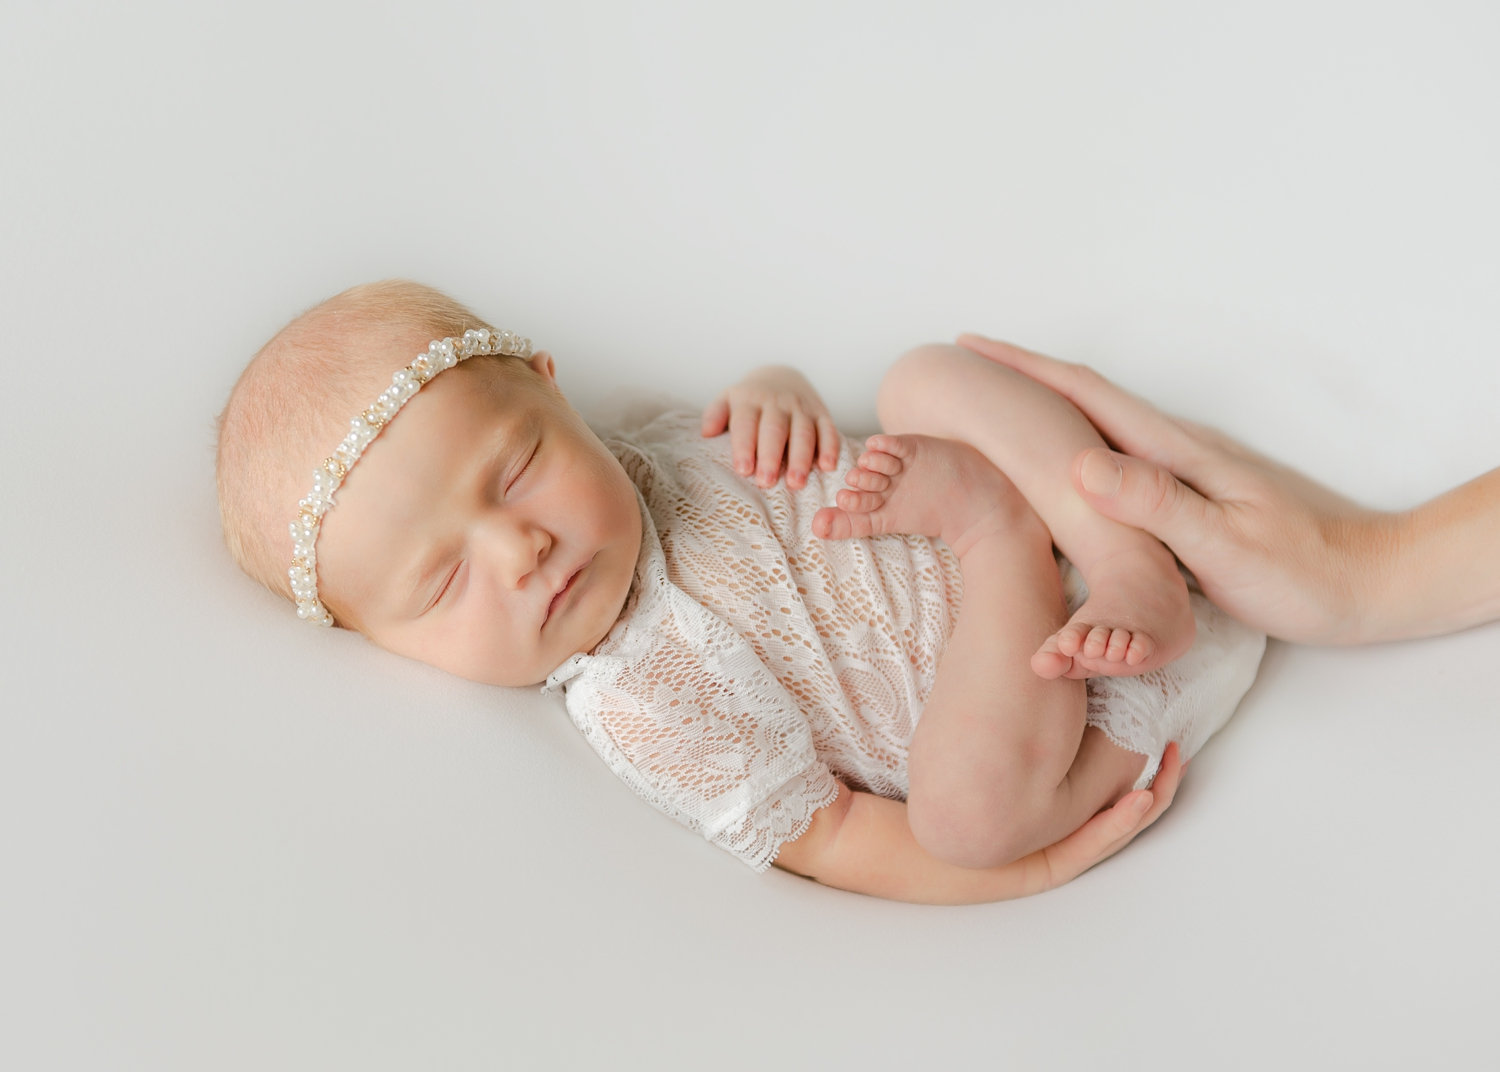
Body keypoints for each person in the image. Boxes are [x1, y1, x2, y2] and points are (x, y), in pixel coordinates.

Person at [215, 281, 1262, 905]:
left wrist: (779, 396)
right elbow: (841, 837)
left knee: (924, 377)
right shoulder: (640, 704)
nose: (521, 545)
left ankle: (1124, 558)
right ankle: (999, 531)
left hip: (1093, 576)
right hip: (1058, 706)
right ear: (395, 646)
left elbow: (806, 440)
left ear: (550, 385)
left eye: (517, 468)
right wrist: (1030, 875)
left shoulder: (648, 445)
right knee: (961, 814)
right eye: (445, 581)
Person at [957, 333, 1500, 644]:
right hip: (1080, 636)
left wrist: (1370, 567)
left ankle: (1127, 567)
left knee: (927, 373)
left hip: (1125, 600)